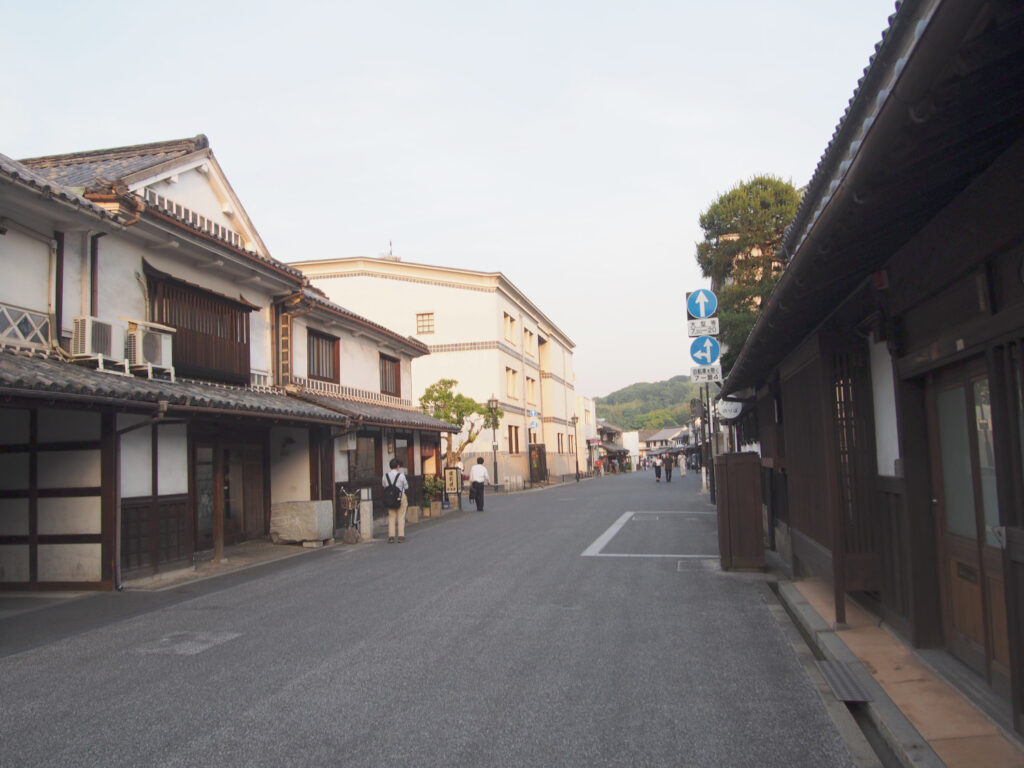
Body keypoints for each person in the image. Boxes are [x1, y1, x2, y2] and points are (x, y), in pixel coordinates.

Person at [382, 457, 409, 543]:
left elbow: (384, 485)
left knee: (391, 516)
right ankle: (401, 536)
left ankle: (391, 536)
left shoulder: (385, 476)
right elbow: (406, 486)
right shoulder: (401, 476)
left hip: (389, 497)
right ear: (398, 466)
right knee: (401, 516)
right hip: (400, 496)